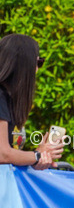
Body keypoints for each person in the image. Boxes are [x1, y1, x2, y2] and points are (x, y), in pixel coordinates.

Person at [0, 33, 63, 168]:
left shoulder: (10, 99)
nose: (37, 69)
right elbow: (2, 153)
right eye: (38, 62)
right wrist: (37, 155)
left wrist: (38, 161)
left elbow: (10, 156)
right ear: (23, 64)